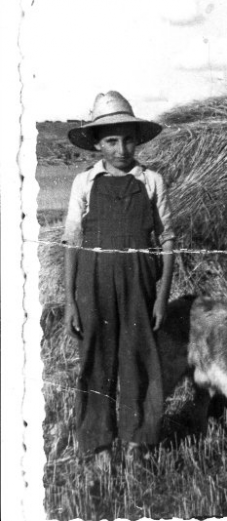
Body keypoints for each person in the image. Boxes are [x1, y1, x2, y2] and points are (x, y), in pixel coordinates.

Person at [63, 91, 175, 461]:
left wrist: (161, 297)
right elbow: (73, 243)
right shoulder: (85, 182)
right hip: (93, 279)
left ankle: (136, 443)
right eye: (111, 140)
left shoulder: (151, 181)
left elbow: (169, 241)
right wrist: (69, 303)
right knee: (96, 358)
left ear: (137, 140)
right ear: (97, 143)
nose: (121, 148)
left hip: (140, 279)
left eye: (128, 138)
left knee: (138, 358)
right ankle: (99, 445)